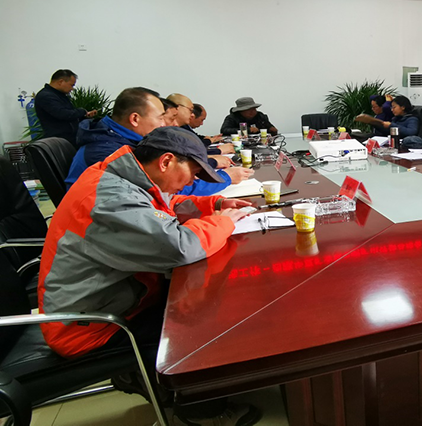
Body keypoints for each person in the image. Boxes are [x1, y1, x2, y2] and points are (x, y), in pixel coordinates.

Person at [38, 126, 261, 426]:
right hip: (91, 325)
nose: (193, 182)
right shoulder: (108, 198)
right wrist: (223, 223)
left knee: (201, 293)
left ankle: (153, 380)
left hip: (113, 299)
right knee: (208, 320)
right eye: (194, 172)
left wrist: (215, 204)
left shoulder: (123, 177)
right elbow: (180, 247)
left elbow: (164, 206)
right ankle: (202, 416)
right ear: (166, 161)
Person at [65, 88, 251, 193]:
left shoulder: (116, 138)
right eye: (160, 118)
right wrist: (226, 178)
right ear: (135, 119)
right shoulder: (108, 151)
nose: (164, 124)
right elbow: (167, 189)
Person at [34, 69, 98, 146]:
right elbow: (62, 114)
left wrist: (85, 116)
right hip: (60, 141)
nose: (72, 88)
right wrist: (82, 111)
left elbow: (70, 115)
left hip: (70, 138)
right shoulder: (46, 96)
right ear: (61, 82)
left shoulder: (61, 95)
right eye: (71, 85)